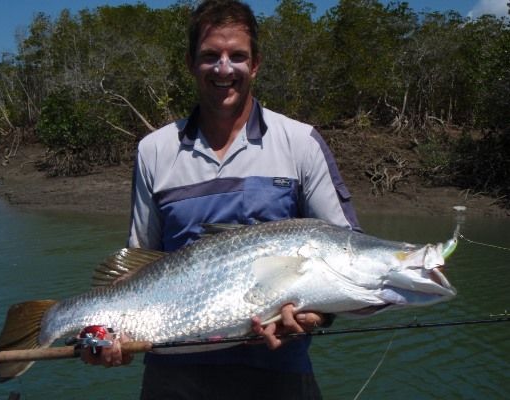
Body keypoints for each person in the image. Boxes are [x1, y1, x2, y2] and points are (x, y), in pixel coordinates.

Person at [82, 1, 360, 398]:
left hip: (279, 373)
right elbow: (138, 264)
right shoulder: (153, 150)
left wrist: (319, 314)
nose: (224, 68)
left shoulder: (301, 143)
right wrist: (102, 334)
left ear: (257, 64)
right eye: (210, 55)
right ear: (191, 64)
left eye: (238, 56)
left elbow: (342, 255)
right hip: (174, 380)